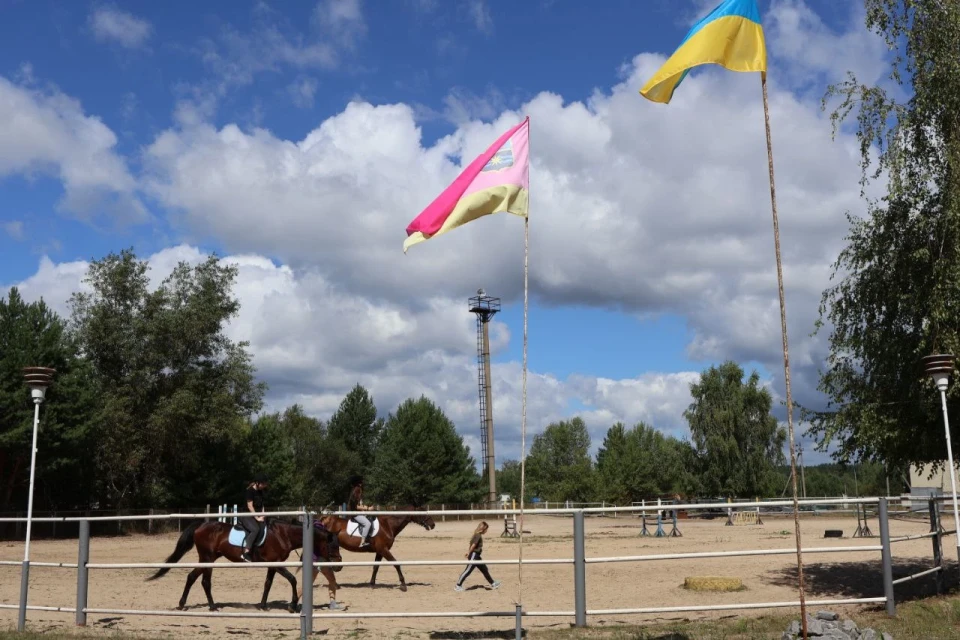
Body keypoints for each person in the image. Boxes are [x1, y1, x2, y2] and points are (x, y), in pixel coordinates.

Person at [454, 521, 500, 592]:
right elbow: (473, 545)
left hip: (477, 556)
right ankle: (458, 585)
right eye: (486, 529)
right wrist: (469, 553)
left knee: (484, 569)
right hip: (474, 555)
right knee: (468, 570)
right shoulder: (478, 535)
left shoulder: (476, 534)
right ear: (483, 529)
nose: (486, 531)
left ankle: (493, 583)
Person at [240, 473, 269, 562]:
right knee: (255, 529)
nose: (264, 485)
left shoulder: (261, 491)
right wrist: (257, 517)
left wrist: (263, 514)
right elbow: (250, 506)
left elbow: (262, 505)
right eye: (263, 483)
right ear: (257, 483)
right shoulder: (250, 491)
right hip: (246, 515)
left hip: (256, 515)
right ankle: (246, 552)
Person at [347, 476, 375, 547]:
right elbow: (356, 506)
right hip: (355, 514)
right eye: (361, 482)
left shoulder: (357, 490)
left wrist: (366, 508)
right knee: (367, 523)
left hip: (358, 512)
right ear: (358, 483)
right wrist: (368, 509)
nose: (362, 483)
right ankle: (362, 542)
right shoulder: (356, 490)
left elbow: (360, 504)